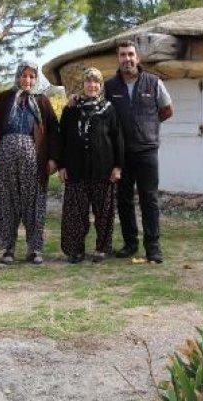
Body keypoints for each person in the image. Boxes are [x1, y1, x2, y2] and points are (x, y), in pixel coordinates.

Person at [105, 40, 173, 263]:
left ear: (138, 57)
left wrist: (149, 126)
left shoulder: (153, 82)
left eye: (130, 54)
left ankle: (153, 247)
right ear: (118, 59)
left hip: (147, 150)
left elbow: (167, 110)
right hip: (121, 153)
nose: (127, 59)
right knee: (124, 200)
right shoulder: (110, 86)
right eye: (123, 55)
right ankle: (130, 244)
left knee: (149, 199)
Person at [0, 62, 59, 265]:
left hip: (34, 160)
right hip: (5, 158)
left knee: (34, 202)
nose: (27, 80)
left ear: (36, 79)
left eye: (31, 76)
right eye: (24, 75)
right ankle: (8, 248)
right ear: (18, 76)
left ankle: (34, 248)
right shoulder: (4, 99)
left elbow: (53, 131)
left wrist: (53, 158)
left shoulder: (42, 101)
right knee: (7, 200)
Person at [58, 68, 124, 264]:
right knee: (75, 214)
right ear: (83, 84)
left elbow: (118, 138)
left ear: (100, 85)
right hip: (76, 170)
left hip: (103, 170)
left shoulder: (109, 109)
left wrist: (118, 167)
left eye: (96, 82)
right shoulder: (71, 109)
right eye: (88, 81)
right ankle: (75, 250)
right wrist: (61, 166)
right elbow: (62, 139)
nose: (92, 85)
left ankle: (101, 248)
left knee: (104, 213)